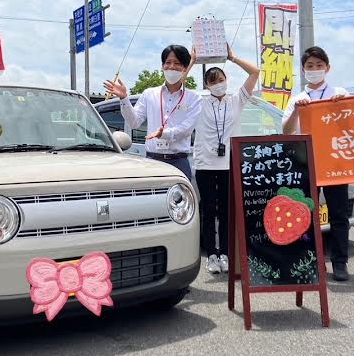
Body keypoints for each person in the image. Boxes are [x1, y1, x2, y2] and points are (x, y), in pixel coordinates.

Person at [282, 46, 351, 281]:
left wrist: (342, 105)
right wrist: (297, 113)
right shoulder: (297, 99)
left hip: (335, 162)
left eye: (319, 65)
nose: (314, 70)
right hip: (305, 161)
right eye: (309, 66)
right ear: (303, 70)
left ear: (327, 68)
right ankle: (312, 261)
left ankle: (340, 262)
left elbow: (353, 126)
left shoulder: (339, 92)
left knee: (339, 213)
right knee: (305, 213)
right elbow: (286, 131)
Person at [194, 44, 259, 274]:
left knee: (227, 211)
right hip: (204, 164)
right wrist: (192, 61)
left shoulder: (235, 100)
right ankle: (212, 255)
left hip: (229, 164)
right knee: (209, 211)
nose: (217, 83)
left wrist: (232, 57)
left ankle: (227, 255)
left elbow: (255, 72)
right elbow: (179, 86)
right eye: (212, 81)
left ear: (226, 79)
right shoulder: (198, 101)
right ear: (206, 85)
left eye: (220, 78)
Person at [104, 45, 201, 179]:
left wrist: (164, 134)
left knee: (182, 199)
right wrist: (124, 98)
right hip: (153, 161)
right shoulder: (149, 94)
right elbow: (134, 122)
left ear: (185, 68)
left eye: (177, 63)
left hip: (179, 162)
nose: (172, 66)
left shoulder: (194, 98)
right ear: (162, 66)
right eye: (168, 62)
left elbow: (187, 129)